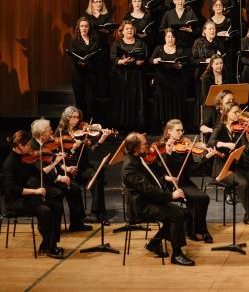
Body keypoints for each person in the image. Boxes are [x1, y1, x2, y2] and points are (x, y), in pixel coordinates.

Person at [120, 132, 195, 266]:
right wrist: (171, 196)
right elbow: (148, 190)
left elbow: (153, 177)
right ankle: (177, 254)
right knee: (176, 213)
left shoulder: (139, 158)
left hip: (149, 201)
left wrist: (167, 178)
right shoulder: (130, 166)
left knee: (183, 212)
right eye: (144, 144)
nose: (148, 145)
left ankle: (154, 243)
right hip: (141, 207)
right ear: (136, 148)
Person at [3, 131, 66, 258]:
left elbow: (39, 173)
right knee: (45, 210)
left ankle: (50, 244)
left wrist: (54, 162)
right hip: (15, 201)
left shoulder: (26, 159)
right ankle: (48, 247)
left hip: (28, 198)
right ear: (20, 146)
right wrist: (35, 191)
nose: (31, 147)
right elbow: (11, 189)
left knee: (57, 206)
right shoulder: (9, 163)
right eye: (28, 145)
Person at [208, 102, 249, 227]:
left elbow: (246, 149)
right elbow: (210, 143)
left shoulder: (239, 129)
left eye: (239, 112)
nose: (239, 115)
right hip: (223, 168)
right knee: (243, 184)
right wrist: (225, 144)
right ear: (226, 113)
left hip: (238, 165)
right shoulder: (219, 128)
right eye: (235, 112)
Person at [157, 120, 217, 243]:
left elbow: (191, 170)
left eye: (182, 130)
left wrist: (206, 158)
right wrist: (168, 154)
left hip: (184, 182)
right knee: (199, 198)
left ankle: (194, 229)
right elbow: (159, 171)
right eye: (177, 130)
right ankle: (200, 230)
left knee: (203, 198)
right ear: (169, 131)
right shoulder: (161, 147)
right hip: (170, 185)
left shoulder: (185, 146)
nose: (181, 133)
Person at [31, 118, 91, 232]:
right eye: (49, 130)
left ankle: (77, 223)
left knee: (74, 187)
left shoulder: (45, 144)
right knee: (59, 192)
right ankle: (52, 228)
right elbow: (41, 172)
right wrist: (59, 177)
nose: (52, 133)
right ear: (42, 135)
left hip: (50, 178)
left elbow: (54, 163)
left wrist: (66, 168)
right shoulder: (34, 148)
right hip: (41, 182)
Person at [56, 106, 114, 225]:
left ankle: (97, 213)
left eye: (78, 117)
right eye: (73, 117)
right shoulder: (60, 133)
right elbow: (56, 156)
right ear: (67, 118)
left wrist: (102, 139)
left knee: (97, 175)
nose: (77, 120)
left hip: (83, 168)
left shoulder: (83, 132)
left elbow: (93, 149)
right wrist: (72, 149)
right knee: (74, 187)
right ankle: (80, 219)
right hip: (68, 170)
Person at [110, 20, 147, 131]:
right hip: (122, 75)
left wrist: (140, 62)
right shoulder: (117, 43)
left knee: (137, 99)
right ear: (122, 31)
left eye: (131, 28)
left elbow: (145, 58)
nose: (129, 30)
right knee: (123, 99)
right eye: (127, 29)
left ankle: (136, 125)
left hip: (137, 75)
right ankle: (122, 126)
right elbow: (112, 58)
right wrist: (122, 61)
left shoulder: (141, 43)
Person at [151, 29, 190, 126]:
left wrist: (181, 66)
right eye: (168, 36)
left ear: (175, 38)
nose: (170, 39)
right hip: (161, 82)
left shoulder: (180, 49)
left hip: (176, 82)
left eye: (172, 37)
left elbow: (186, 63)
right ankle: (164, 125)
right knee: (164, 105)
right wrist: (154, 61)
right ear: (165, 38)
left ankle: (176, 125)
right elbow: (150, 60)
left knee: (176, 105)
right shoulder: (159, 48)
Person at [67, 17, 104, 119]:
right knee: (80, 100)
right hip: (78, 74)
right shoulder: (74, 41)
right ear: (78, 28)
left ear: (89, 28)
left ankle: (90, 124)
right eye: (82, 26)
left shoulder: (94, 41)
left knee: (91, 100)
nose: (84, 28)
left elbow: (99, 57)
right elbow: (72, 57)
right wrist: (80, 64)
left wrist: (90, 63)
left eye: (86, 26)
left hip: (91, 74)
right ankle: (80, 123)